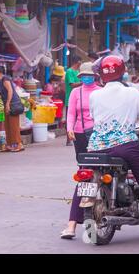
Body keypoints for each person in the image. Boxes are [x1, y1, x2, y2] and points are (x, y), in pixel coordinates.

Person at [62, 55, 139, 240]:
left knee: (84, 181)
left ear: (101, 75)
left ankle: (71, 226)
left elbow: (96, 119)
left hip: (95, 148)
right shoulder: (132, 93)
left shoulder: (95, 95)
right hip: (126, 146)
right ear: (122, 73)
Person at [60, 62, 101, 239]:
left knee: (96, 174)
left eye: (89, 75)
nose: (87, 78)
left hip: (99, 136)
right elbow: (71, 114)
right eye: (84, 75)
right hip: (80, 135)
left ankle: (72, 226)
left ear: (95, 76)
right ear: (80, 77)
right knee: (85, 174)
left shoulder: (101, 91)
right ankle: (73, 226)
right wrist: (69, 129)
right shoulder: (76, 92)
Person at [0, 65, 24, 152]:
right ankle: (10, 145)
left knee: (14, 125)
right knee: (7, 125)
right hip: (7, 105)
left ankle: (19, 144)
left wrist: (7, 103)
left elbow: (10, 90)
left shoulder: (5, 79)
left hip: (13, 105)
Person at [64, 56, 83, 146]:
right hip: (70, 99)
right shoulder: (69, 71)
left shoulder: (78, 72)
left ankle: (75, 137)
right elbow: (72, 84)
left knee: (77, 119)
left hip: (78, 98)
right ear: (78, 62)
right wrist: (83, 82)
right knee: (70, 119)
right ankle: (68, 139)